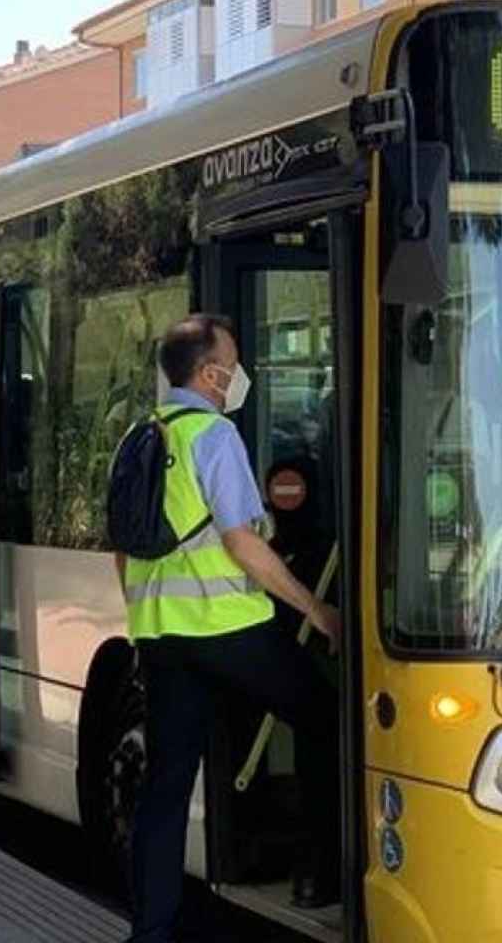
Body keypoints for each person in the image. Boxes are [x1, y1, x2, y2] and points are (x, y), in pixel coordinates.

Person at [117, 314, 342, 943]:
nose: (238, 374)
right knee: (326, 716)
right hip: (229, 629)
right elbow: (243, 544)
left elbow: (123, 548)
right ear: (209, 372)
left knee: (165, 787)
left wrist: (143, 623)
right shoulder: (214, 437)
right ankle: (319, 872)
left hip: (161, 637)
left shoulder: (138, 435)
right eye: (233, 362)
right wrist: (315, 610)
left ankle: (150, 932)